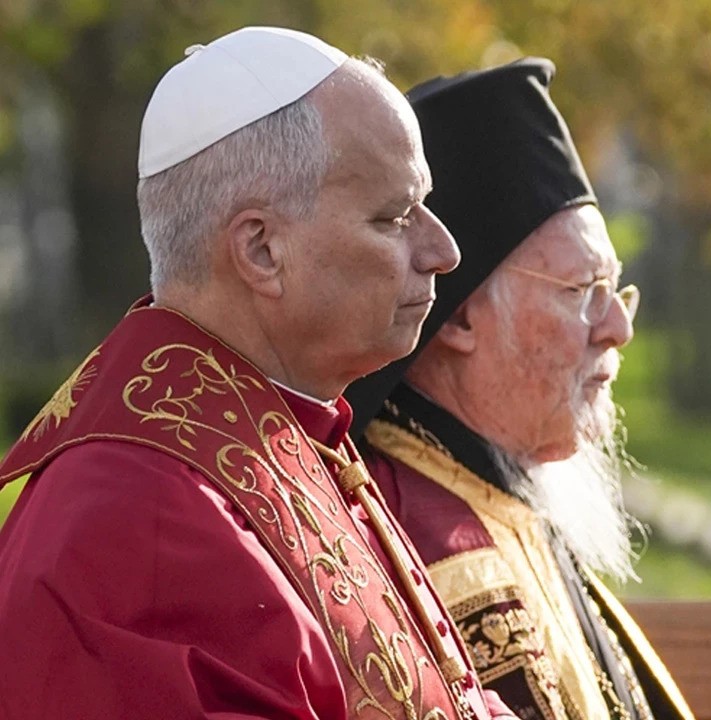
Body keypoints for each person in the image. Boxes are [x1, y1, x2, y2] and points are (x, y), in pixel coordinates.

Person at [0, 26, 515, 720]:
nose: (443, 251)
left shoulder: (297, 434)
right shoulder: (133, 522)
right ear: (262, 249)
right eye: (395, 217)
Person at [345, 58, 695, 720]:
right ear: (461, 317)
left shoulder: (493, 495)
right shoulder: (436, 549)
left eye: (615, 288)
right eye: (581, 290)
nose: (618, 328)